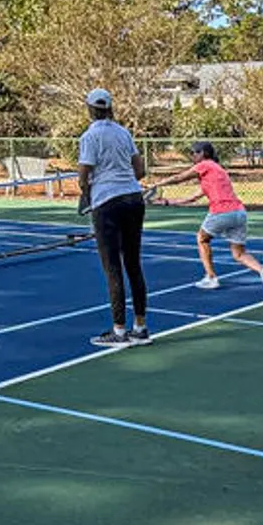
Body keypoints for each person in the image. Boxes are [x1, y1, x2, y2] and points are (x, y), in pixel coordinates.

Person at [154, 141, 263, 297]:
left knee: (202, 239)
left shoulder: (206, 164)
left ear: (203, 153)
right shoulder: (216, 172)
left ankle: (211, 277)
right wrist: (166, 202)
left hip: (221, 211)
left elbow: (180, 177)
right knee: (238, 254)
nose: (192, 155)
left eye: (194, 152)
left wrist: (157, 183)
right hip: (239, 213)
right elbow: (190, 199)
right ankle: (262, 271)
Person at [76, 88, 151, 347]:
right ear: (109, 108)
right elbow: (139, 169)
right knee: (133, 263)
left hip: (107, 203)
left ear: (90, 109)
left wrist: (88, 193)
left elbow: (84, 174)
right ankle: (140, 327)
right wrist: (125, 182)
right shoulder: (123, 132)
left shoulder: (89, 136)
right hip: (133, 198)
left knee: (112, 268)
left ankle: (119, 332)